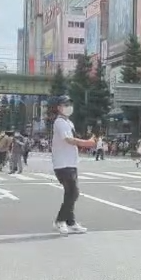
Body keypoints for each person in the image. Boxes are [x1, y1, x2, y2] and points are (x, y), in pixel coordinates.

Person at [48, 95, 95, 234]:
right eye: (65, 104)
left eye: (69, 103)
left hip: (70, 162)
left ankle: (71, 221)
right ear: (59, 107)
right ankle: (60, 221)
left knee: (71, 193)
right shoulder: (60, 122)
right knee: (73, 192)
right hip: (63, 163)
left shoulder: (68, 122)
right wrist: (87, 143)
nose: (68, 106)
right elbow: (68, 139)